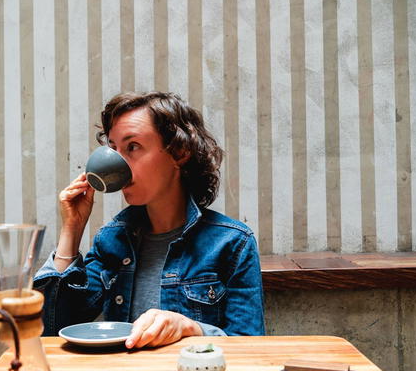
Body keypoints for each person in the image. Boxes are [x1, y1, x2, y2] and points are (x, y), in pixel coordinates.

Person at [34, 91, 264, 349]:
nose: (117, 166)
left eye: (132, 147)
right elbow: (51, 328)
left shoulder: (233, 244)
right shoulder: (112, 241)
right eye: (114, 150)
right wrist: (72, 229)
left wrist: (191, 328)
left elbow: (250, 346)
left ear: (179, 152)